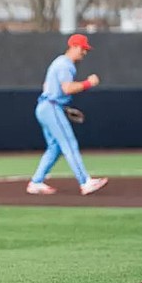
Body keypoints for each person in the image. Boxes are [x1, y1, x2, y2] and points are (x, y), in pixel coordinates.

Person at [26, 33, 108, 196]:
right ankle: (85, 182)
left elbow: (47, 87)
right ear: (75, 47)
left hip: (45, 106)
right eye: (83, 49)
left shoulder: (58, 62)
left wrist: (62, 107)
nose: (84, 53)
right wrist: (88, 83)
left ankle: (36, 182)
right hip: (51, 107)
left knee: (55, 148)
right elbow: (67, 88)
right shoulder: (66, 64)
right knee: (69, 144)